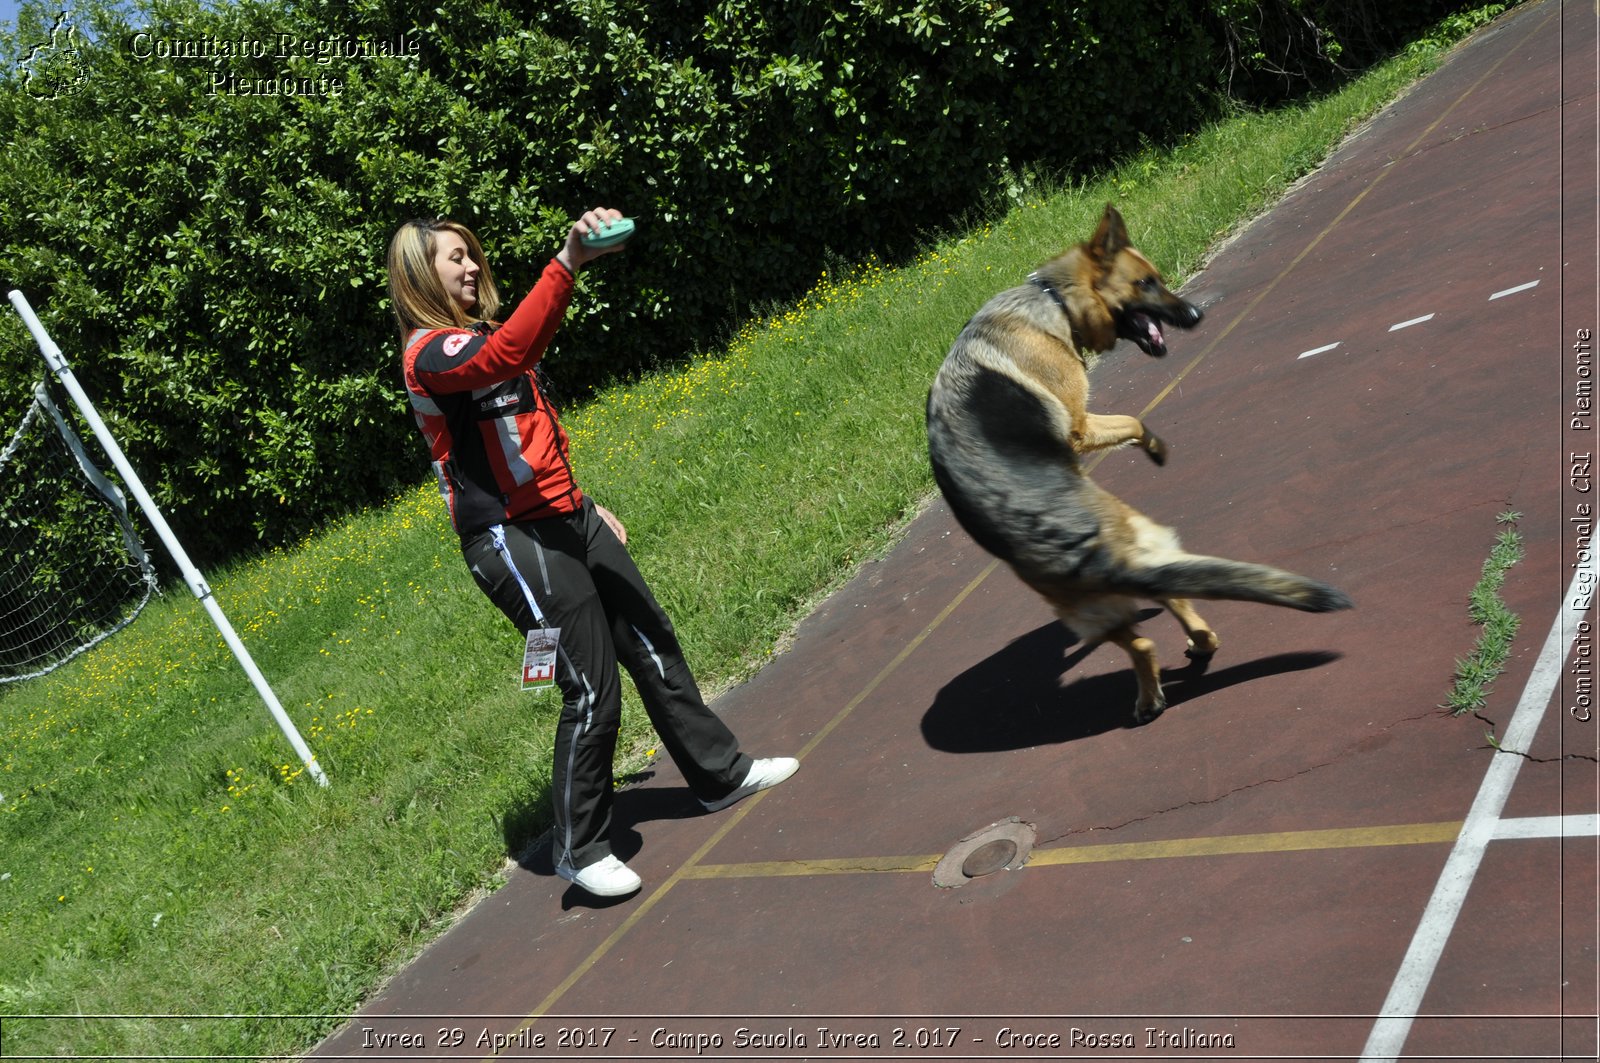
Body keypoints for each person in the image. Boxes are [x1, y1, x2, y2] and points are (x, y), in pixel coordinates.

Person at [386, 210, 798, 898]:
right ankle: (580, 847)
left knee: (649, 636)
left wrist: (583, 503)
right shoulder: (430, 354)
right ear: (416, 277)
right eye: (451, 259)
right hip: (511, 539)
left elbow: (533, 428)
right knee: (591, 686)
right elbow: (505, 358)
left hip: (568, 516)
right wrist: (567, 262)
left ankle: (720, 774)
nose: (469, 267)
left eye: (470, 255)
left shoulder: (483, 336)